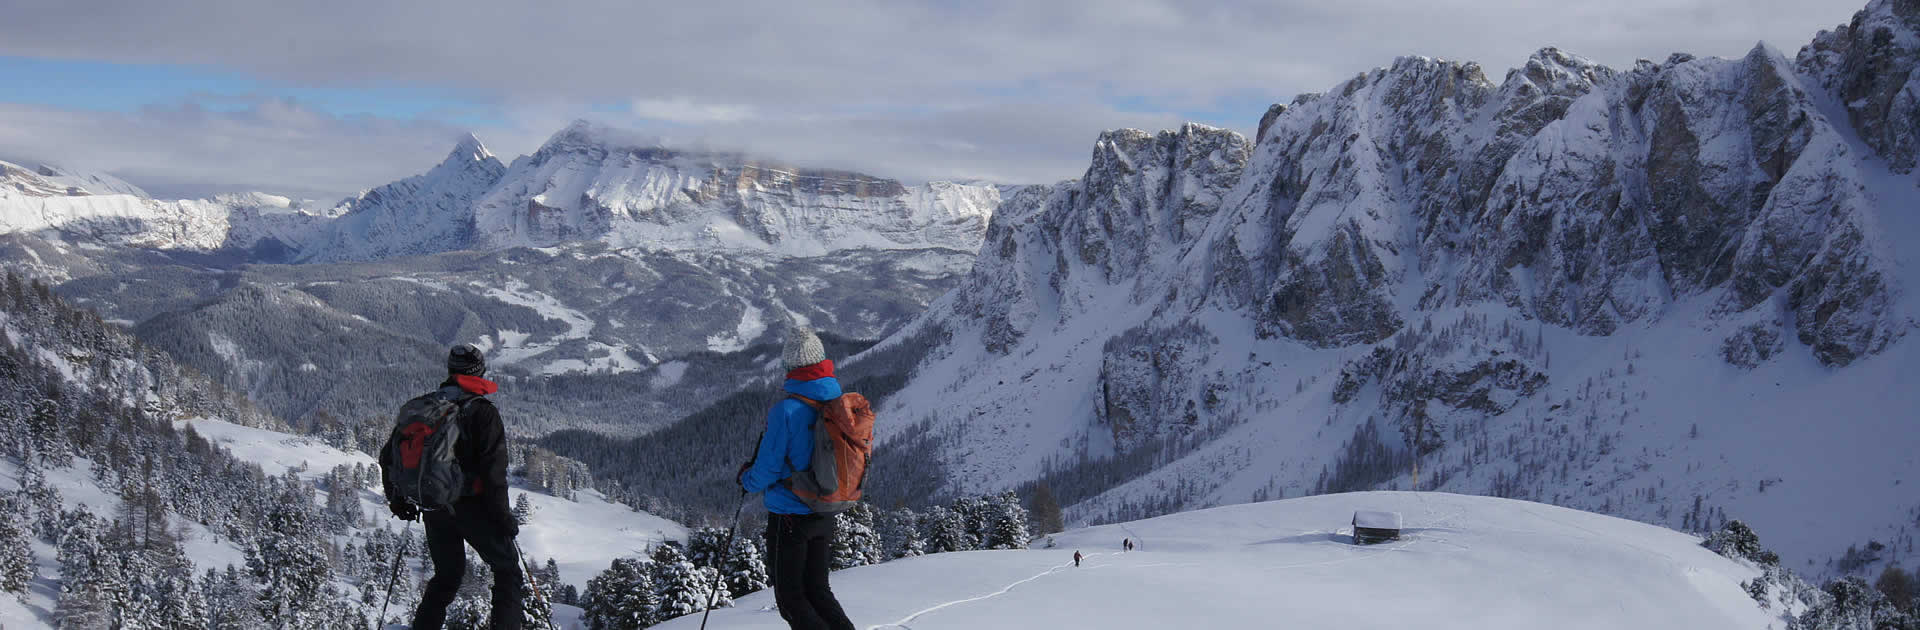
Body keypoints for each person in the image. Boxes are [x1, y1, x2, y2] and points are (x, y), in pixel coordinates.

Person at [381, 344, 523, 630]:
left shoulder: (426, 407)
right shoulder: (482, 413)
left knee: (447, 575)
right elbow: (494, 475)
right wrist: (504, 519)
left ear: (450, 370)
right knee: (507, 571)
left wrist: (398, 500)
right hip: (472, 507)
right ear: (479, 371)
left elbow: (388, 457)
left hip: (434, 506)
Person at [740, 326, 857, 630]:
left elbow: (766, 470)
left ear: (791, 367)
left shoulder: (787, 411)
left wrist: (746, 480)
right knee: (819, 591)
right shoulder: (838, 403)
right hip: (826, 509)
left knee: (791, 599)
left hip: (790, 515)